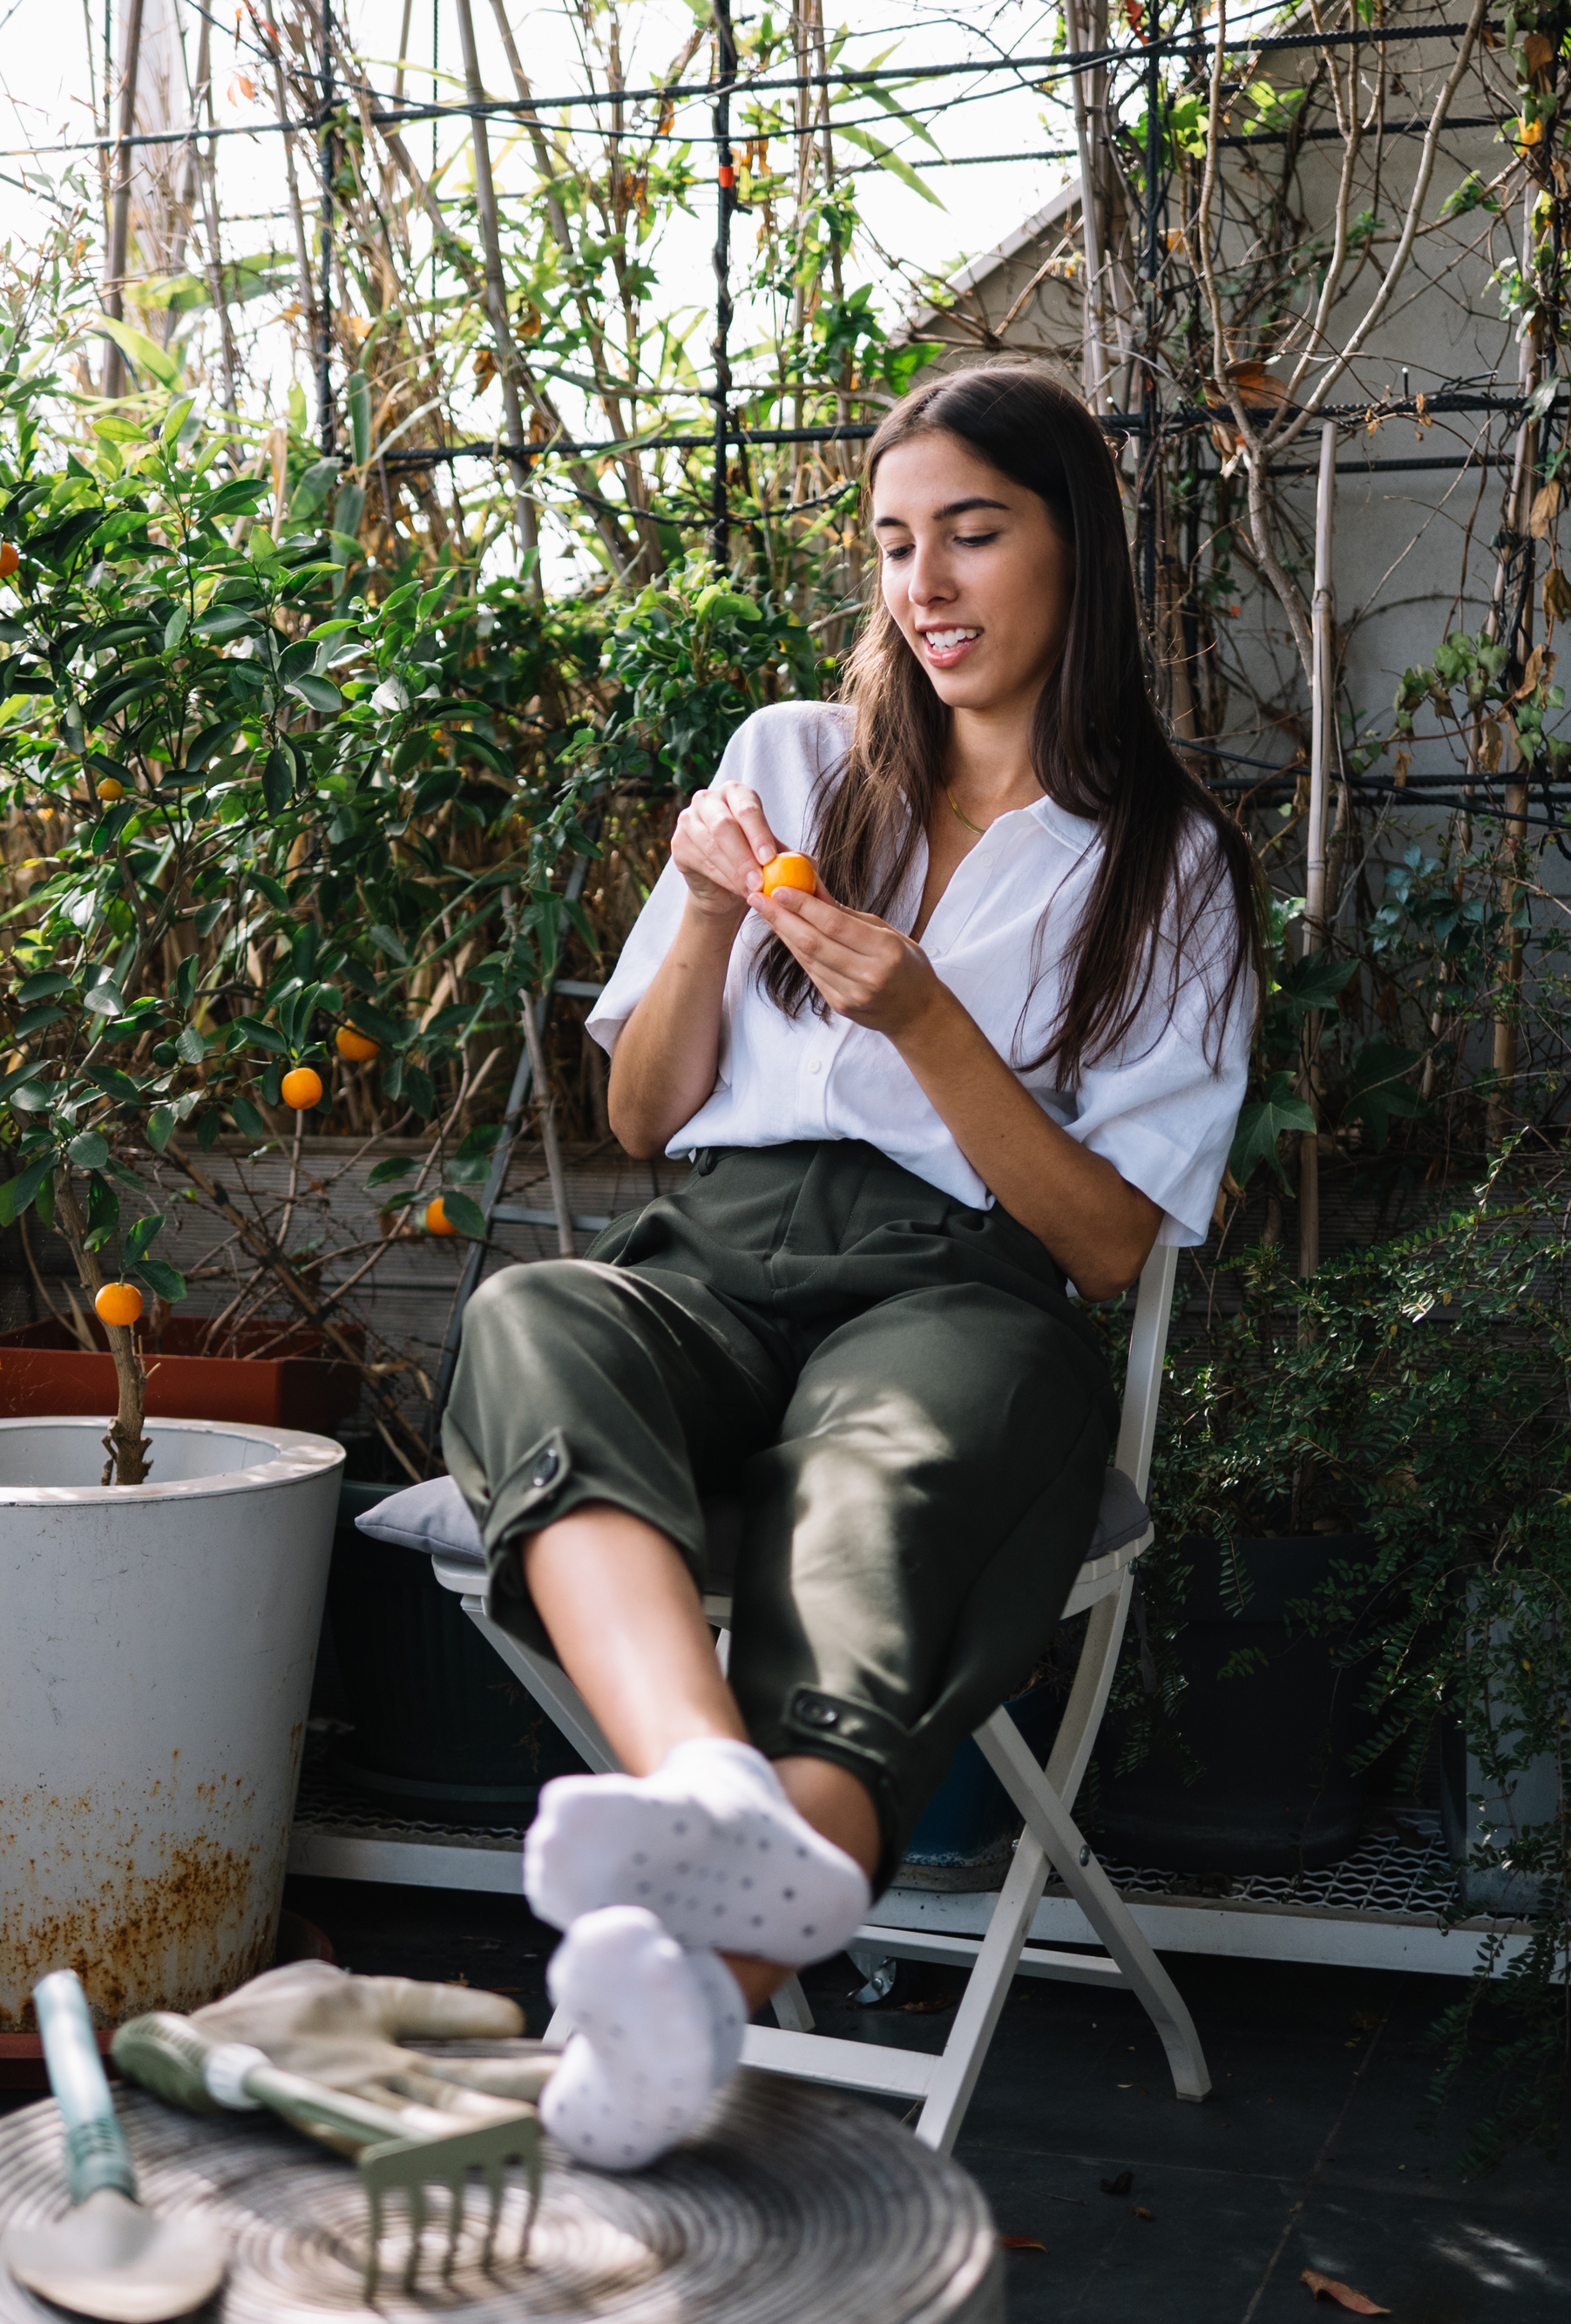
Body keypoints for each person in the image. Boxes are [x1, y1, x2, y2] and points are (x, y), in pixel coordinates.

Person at [443, 362, 1259, 2168]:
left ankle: (708, 1981)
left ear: (1074, 550)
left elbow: (1109, 1242)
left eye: (972, 532)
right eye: (896, 544)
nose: (928, 586)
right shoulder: (787, 758)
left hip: (959, 1288)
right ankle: (703, 1784)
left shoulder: (1161, 864)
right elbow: (645, 1115)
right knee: (532, 1316)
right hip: (714, 1260)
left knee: (874, 1483)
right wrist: (712, 912)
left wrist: (928, 1020)